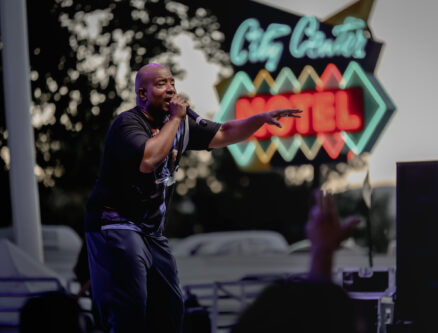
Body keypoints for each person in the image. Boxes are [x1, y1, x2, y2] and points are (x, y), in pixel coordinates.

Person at [84, 63, 301, 333]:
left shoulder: (183, 123)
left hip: (151, 232)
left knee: (171, 307)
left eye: (172, 82)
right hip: (116, 222)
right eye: (162, 83)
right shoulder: (128, 123)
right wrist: (175, 119)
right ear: (142, 93)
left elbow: (225, 132)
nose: (171, 89)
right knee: (131, 308)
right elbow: (148, 159)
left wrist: (259, 119)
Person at [231, 190, 361, 333]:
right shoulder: (331, 308)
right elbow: (322, 317)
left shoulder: (272, 302)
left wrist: (322, 251)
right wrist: (323, 251)